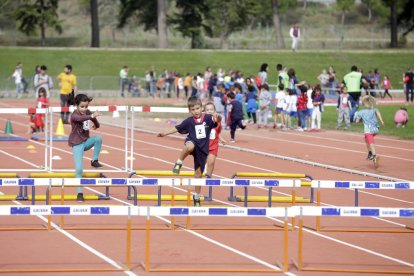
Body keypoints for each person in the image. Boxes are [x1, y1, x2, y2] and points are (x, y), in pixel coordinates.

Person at [157, 96, 217, 206]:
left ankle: (197, 196)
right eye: (193, 110)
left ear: (201, 108)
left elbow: (217, 120)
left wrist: (219, 118)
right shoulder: (189, 121)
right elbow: (177, 128)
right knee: (189, 146)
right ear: (189, 110)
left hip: (202, 149)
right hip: (192, 142)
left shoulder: (208, 118)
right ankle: (179, 162)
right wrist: (165, 133)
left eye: (197, 108)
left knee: (198, 174)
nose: (196, 111)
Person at [68, 94, 103, 202]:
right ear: (76, 105)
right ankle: (79, 193)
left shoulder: (87, 112)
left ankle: (94, 160)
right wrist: (92, 116)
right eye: (82, 107)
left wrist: (96, 124)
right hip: (77, 143)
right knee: (79, 169)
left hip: (86, 141)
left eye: (86, 107)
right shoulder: (74, 115)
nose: (84, 109)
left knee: (98, 138)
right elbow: (82, 118)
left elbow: (92, 118)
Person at [354, 96, 384, 168]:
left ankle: (374, 155)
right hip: (375, 129)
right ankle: (370, 153)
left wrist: (358, 120)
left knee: (371, 143)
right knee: (366, 139)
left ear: (364, 104)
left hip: (369, 130)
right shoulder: (374, 110)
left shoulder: (361, 112)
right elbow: (378, 113)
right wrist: (381, 121)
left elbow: (357, 121)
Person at [205, 102, 226, 177]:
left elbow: (217, 132)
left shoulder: (217, 121)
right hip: (203, 145)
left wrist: (221, 139)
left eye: (211, 109)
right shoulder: (202, 120)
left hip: (213, 146)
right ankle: (198, 178)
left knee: (211, 162)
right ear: (204, 111)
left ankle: (209, 178)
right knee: (200, 164)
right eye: (207, 110)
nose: (209, 111)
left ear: (215, 111)